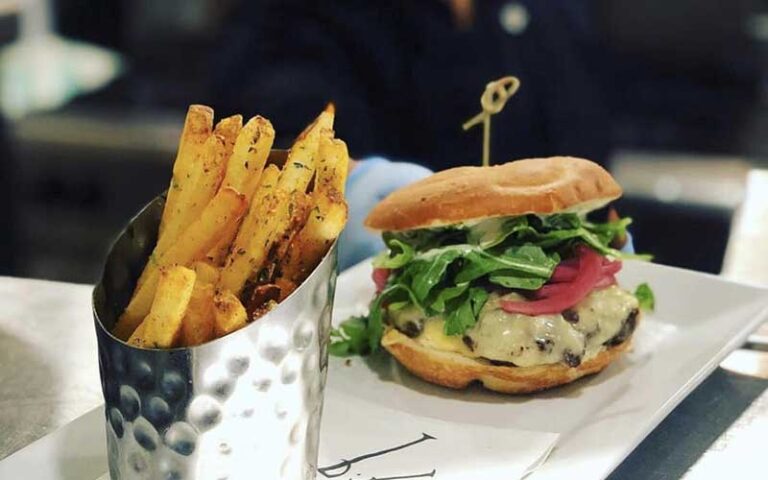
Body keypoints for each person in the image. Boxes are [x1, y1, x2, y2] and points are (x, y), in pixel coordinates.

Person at [211, 0, 609, 268]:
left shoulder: (551, 12)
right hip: (351, 307)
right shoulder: (299, 15)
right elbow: (265, 123)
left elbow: (585, 124)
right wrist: (354, 183)